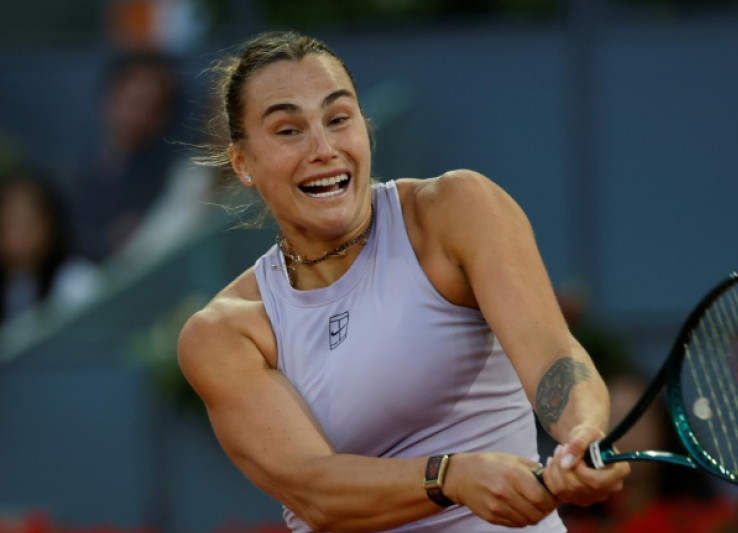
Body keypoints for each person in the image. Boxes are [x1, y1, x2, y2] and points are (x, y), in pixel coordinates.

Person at [177, 30, 630, 532]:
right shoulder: (225, 334)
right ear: (243, 163)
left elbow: (552, 357)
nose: (323, 148)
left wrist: (582, 434)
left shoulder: (457, 210)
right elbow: (316, 493)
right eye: (288, 130)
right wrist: (449, 478)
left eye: (338, 119)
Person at [65, 50, 186, 264]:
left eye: (155, 108)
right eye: (135, 102)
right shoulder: (75, 177)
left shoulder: (173, 177)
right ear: (110, 98)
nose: (141, 118)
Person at [0, 167, 102, 325]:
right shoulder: (13, 290)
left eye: (27, 223)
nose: (17, 235)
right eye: (7, 224)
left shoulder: (76, 281)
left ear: (50, 222)